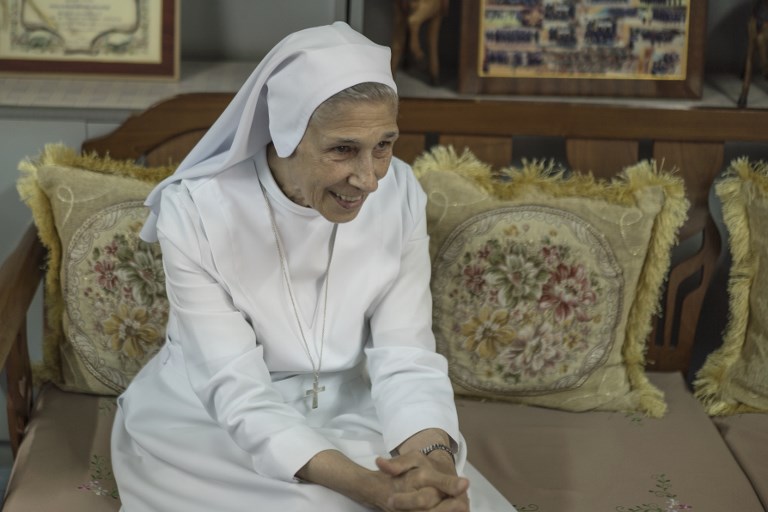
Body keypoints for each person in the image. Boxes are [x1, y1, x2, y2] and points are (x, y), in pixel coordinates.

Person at [111, 21, 517, 512]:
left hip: (352, 406)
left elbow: (406, 357)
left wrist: (434, 465)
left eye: (384, 145)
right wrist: (373, 490)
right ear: (285, 135)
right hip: (212, 421)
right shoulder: (195, 211)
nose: (368, 180)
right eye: (343, 149)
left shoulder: (401, 191)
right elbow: (234, 389)